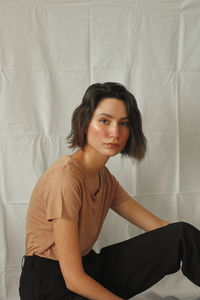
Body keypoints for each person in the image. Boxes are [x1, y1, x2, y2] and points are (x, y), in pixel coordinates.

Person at [19, 82, 200, 300]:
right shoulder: (65, 178)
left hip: (88, 269)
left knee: (181, 234)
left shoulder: (105, 179)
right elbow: (73, 279)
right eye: (104, 121)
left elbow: (162, 230)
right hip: (49, 285)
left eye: (123, 123)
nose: (115, 133)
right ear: (85, 123)